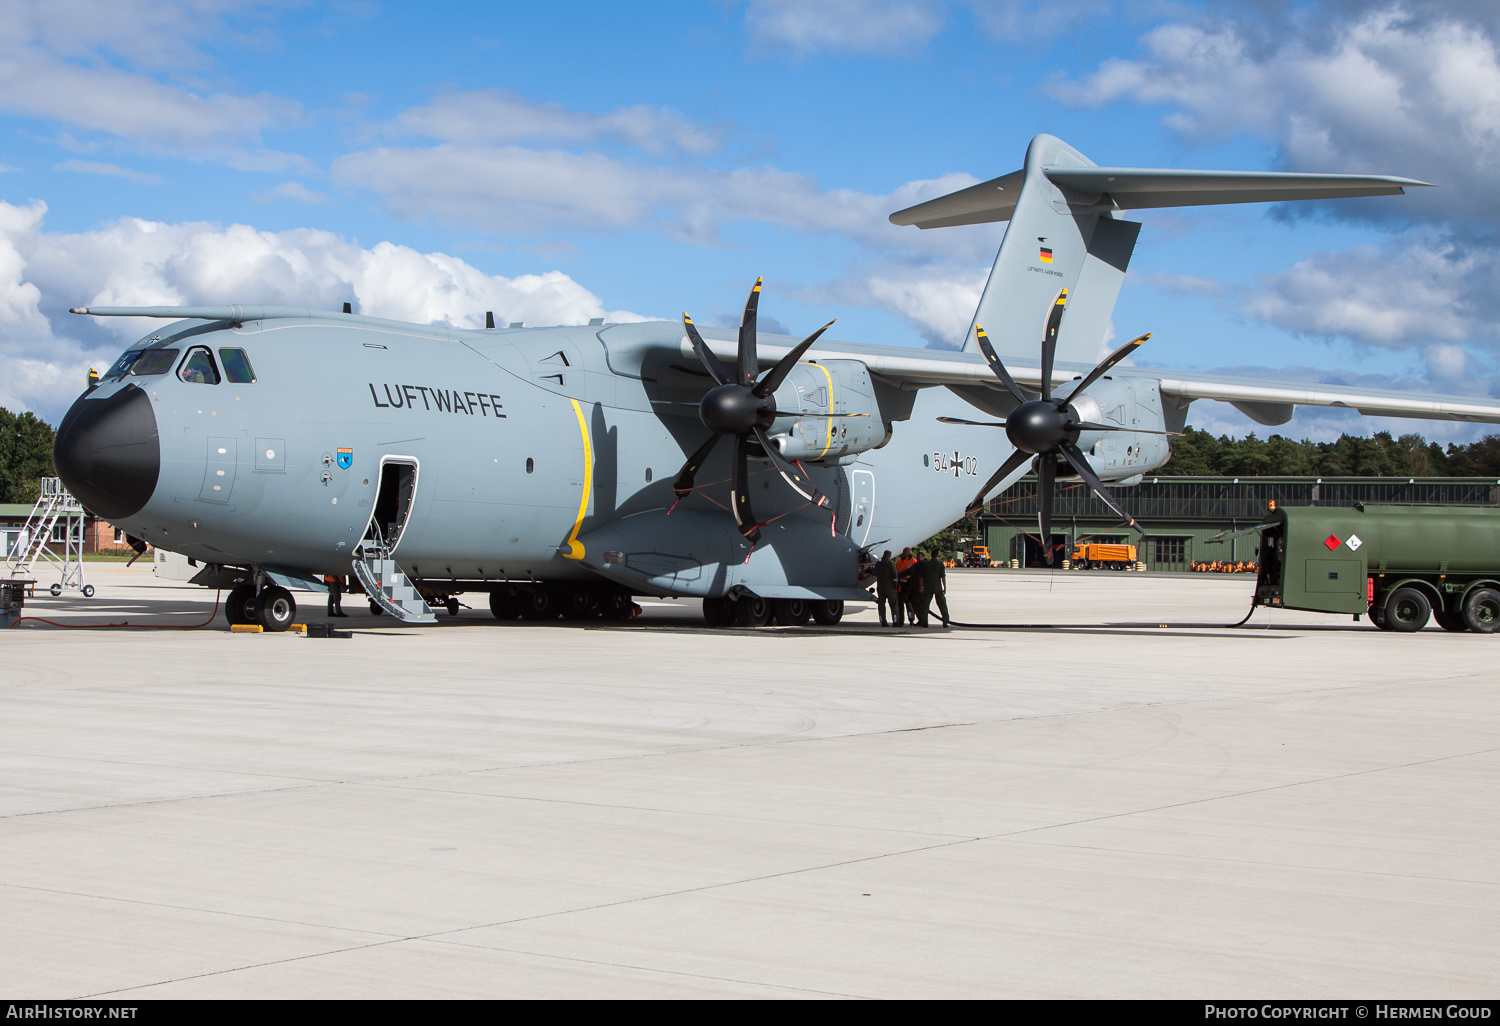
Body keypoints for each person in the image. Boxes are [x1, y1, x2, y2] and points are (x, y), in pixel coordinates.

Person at [918, 549, 951, 627]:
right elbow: (943, 576)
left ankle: (924, 622)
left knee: (925, 606)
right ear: (937, 555)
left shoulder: (926, 564)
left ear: (931, 555)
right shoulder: (940, 564)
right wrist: (945, 587)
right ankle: (945, 622)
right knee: (942, 605)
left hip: (927, 587)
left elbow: (921, 577)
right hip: (937, 587)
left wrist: (921, 585)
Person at [873, 550, 901, 627]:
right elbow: (895, 577)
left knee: (881, 605)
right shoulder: (890, 565)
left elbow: (874, 572)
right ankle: (895, 622)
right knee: (894, 606)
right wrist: (895, 586)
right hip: (890, 588)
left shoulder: (878, 564)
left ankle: (883, 621)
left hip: (880, 587)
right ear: (889, 557)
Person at [895, 546, 919, 625]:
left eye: (904, 551)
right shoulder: (899, 561)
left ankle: (911, 619)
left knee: (909, 604)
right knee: (900, 605)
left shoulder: (913, 561)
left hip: (907, 586)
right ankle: (901, 620)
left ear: (909, 553)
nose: (903, 553)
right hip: (899, 586)